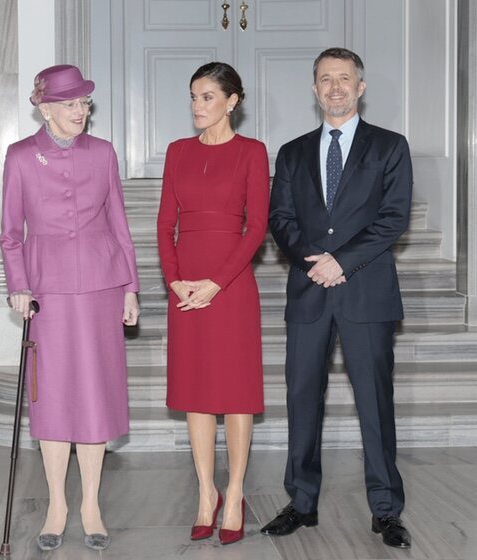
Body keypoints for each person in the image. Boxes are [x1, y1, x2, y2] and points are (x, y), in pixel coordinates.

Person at [260, 47, 412, 549]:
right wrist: (313, 258)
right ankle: (301, 503)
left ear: (360, 87)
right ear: (314, 88)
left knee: (374, 402)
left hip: (365, 293)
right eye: (326, 79)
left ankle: (386, 510)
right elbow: (280, 220)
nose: (335, 88)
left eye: (344, 79)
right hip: (308, 292)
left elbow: (392, 218)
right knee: (302, 399)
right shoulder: (292, 152)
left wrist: (341, 261)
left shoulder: (390, 147)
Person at [0, 64, 140, 552]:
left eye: (84, 103)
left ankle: (92, 504)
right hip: (48, 292)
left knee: (96, 394)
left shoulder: (102, 153)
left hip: (102, 288)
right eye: (70, 104)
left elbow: (120, 223)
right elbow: (9, 232)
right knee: (54, 396)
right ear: (45, 108)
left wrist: (130, 287)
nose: (81, 111)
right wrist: (18, 285)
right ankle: (58, 502)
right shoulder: (19, 156)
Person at [156, 62, 268, 546]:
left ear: (232, 100)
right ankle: (207, 493)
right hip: (185, 289)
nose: (197, 106)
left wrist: (216, 283)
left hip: (232, 285)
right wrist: (175, 281)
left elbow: (257, 227)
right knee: (196, 394)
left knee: (236, 394)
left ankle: (236, 492)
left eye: (207, 97)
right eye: (194, 97)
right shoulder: (177, 152)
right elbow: (164, 225)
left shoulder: (253, 152)